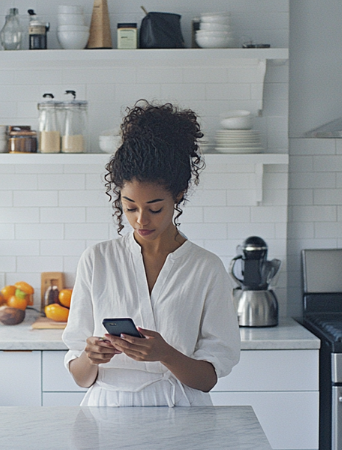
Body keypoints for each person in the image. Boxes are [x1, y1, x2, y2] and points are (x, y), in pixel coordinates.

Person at [62, 101, 241, 407]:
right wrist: (91, 357)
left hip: (180, 411)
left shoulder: (206, 268)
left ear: (179, 194)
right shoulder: (97, 260)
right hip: (106, 414)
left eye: (155, 208)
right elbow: (80, 377)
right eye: (130, 207)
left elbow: (208, 379)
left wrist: (166, 354)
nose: (141, 220)